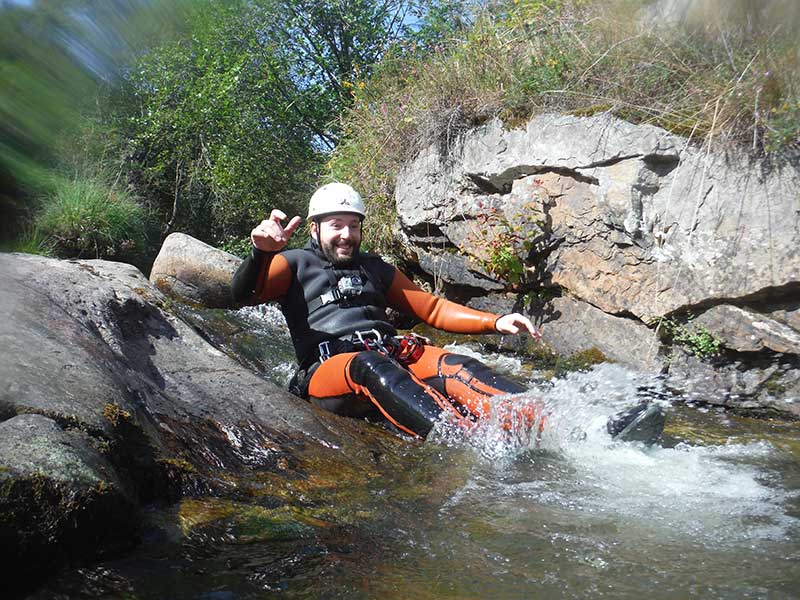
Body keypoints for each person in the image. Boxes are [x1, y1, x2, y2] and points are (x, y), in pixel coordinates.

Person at [232, 182, 664, 442]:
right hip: (331, 373)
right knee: (369, 366)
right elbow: (243, 295)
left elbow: (433, 308)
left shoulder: (376, 268)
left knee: (457, 365)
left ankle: (571, 428)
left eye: (354, 225)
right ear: (315, 228)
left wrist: (495, 321)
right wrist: (260, 253)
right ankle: (471, 442)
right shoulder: (293, 264)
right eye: (336, 225)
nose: (346, 234)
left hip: (390, 354)